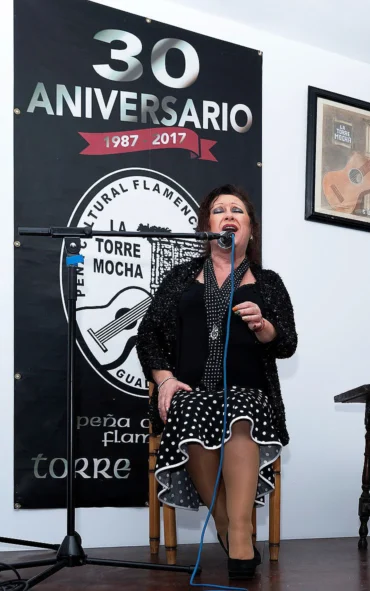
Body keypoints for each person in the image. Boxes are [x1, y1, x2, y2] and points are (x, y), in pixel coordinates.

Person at [136, 184, 297, 579]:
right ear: (207, 226)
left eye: (237, 211)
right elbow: (148, 335)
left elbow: (287, 343)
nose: (228, 215)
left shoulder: (269, 281)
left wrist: (264, 326)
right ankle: (227, 525)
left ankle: (238, 534)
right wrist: (166, 379)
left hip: (250, 394)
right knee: (190, 409)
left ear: (251, 229)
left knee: (240, 408)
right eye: (219, 210)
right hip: (191, 391)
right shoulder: (180, 277)